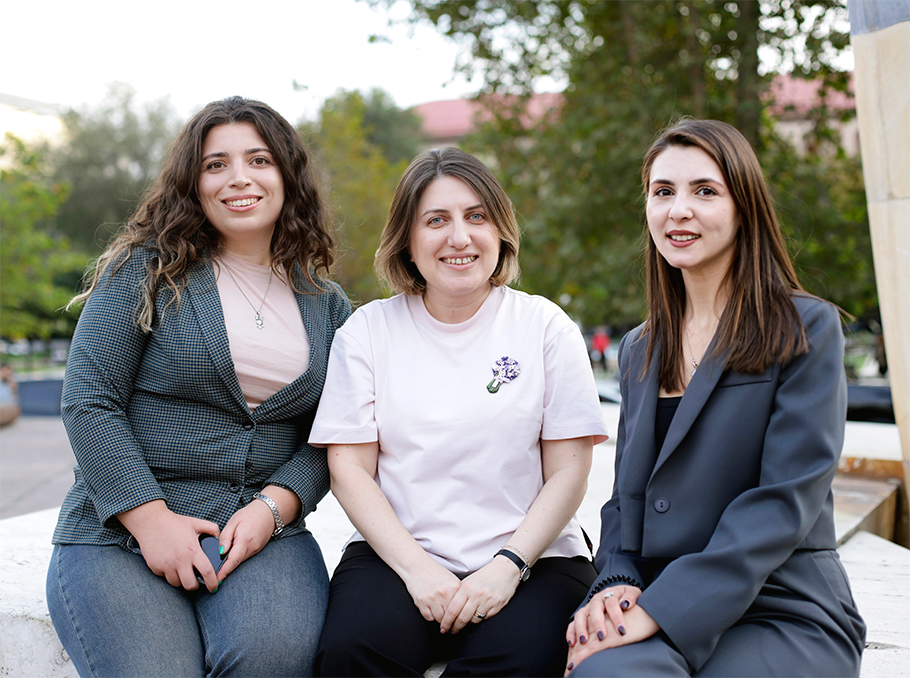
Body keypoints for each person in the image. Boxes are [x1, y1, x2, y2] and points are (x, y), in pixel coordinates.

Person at [45, 96, 351, 677]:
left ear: (286, 176)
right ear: (194, 181)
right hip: (122, 532)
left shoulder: (326, 303)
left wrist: (273, 507)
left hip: (260, 532)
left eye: (259, 160)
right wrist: (150, 520)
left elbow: (330, 433)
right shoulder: (147, 268)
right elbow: (89, 398)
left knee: (271, 660)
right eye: (216, 164)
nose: (239, 178)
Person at [565, 119, 866, 677]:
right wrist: (614, 583)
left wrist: (661, 607)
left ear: (743, 206)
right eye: (663, 192)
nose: (679, 210)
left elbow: (784, 502)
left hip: (781, 603)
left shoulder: (806, 327)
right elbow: (626, 498)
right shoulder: (639, 348)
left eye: (705, 191)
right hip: (653, 596)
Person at [309, 147, 609, 677]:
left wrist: (507, 568)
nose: (459, 237)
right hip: (397, 557)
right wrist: (418, 570)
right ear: (407, 239)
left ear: (502, 232)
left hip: (535, 559)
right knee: (351, 654)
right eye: (436, 220)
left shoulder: (544, 326)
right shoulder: (367, 331)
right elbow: (350, 469)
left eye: (476, 217)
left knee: (518, 663)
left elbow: (569, 471)